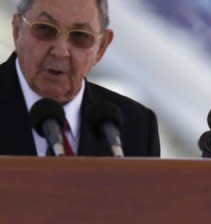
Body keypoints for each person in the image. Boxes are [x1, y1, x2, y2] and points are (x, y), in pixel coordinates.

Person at [0, 0, 160, 156]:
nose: (61, 51)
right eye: (45, 29)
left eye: (80, 36)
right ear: (17, 30)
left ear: (101, 47)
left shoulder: (137, 127)